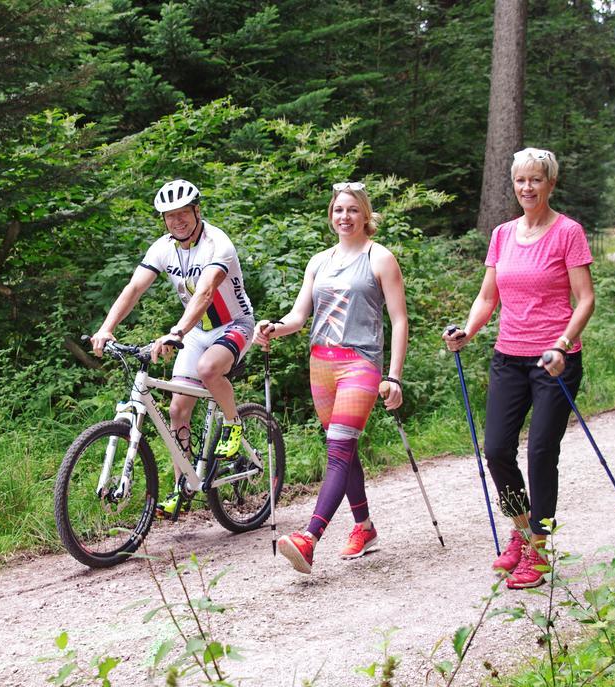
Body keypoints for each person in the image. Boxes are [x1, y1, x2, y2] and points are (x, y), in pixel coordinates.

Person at [443, 148, 595, 589]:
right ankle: (520, 527)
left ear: (550, 183)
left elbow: (584, 298)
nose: (527, 187)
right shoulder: (503, 234)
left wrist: (563, 344)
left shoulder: (568, 232)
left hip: (554, 362)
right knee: (496, 450)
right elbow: (488, 297)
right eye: (520, 180)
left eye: (535, 179)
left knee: (541, 452)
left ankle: (540, 546)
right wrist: (467, 333)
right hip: (509, 357)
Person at [255, 181, 408, 574]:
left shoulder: (380, 258)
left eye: (353, 210)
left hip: (361, 362)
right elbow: (299, 317)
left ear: (366, 215)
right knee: (346, 449)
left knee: (338, 450)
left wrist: (394, 376)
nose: (345, 216)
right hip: (321, 364)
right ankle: (365, 527)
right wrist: (274, 327)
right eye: (339, 210)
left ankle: (309, 538)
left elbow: (399, 319)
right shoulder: (318, 262)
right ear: (331, 215)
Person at [90, 179, 255, 517]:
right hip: (195, 331)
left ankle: (233, 423)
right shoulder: (164, 248)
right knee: (178, 410)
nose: (177, 221)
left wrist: (176, 331)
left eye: (183, 214)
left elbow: (206, 293)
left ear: (197, 211)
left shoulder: (216, 243)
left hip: (234, 324)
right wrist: (107, 328)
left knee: (209, 369)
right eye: (170, 216)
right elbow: (134, 288)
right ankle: (183, 487)